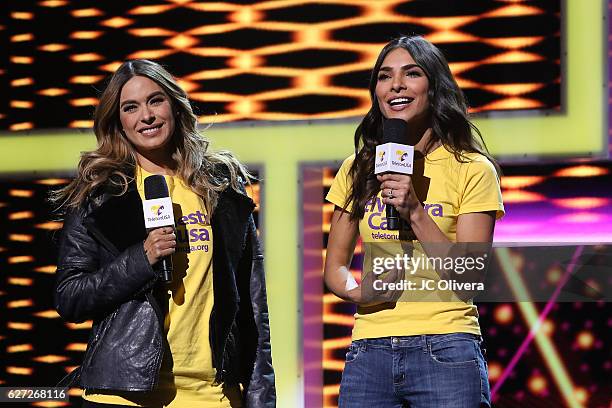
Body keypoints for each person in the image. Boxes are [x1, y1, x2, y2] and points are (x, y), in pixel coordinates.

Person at [51, 59, 275, 407]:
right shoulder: (100, 196)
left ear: (174, 105)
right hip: (124, 394)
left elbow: (252, 307)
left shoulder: (223, 188)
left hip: (210, 394)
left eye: (155, 100)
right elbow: (70, 296)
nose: (147, 116)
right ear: (119, 122)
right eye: (131, 107)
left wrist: (261, 398)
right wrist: (142, 258)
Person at [324, 36, 504, 407]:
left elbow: (468, 275)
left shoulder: (472, 169)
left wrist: (415, 211)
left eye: (412, 74)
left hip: (446, 347)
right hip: (369, 349)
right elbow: (335, 268)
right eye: (385, 76)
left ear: (434, 88)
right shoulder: (357, 168)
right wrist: (360, 293)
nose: (396, 86)